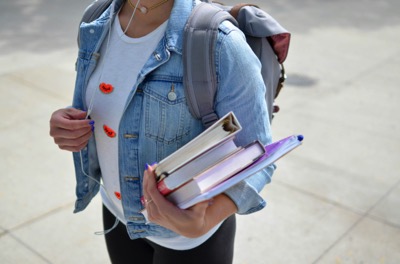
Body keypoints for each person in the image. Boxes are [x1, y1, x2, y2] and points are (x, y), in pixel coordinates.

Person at [49, 0, 275, 263]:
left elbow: (258, 155)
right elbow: (112, 100)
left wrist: (204, 221)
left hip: (189, 242)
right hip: (117, 214)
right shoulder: (96, 19)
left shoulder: (221, 43)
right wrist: (68, 121)